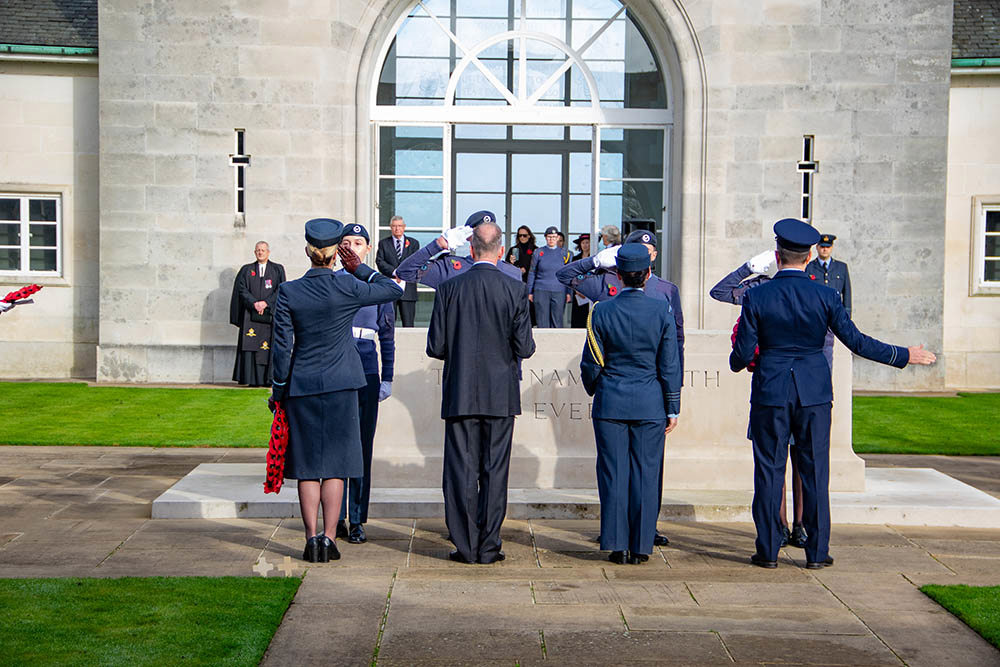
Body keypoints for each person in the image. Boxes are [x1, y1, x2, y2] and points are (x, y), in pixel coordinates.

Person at [731, 218, 936, 570]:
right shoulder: (825, 294)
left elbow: (743, 352)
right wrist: (904, 354)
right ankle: (815, 551)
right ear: (809, 256)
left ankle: (767, 550)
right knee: (814, 471)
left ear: (778, 256)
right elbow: (856, 342)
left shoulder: (757, 295)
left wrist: (741, 360)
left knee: (769, 471)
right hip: (813, 392)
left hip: (772, 390)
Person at [270, 219, 403, 563]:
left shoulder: (289, 291)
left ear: (308, 251)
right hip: (344, 383)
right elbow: (393, 290)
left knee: (308, 466)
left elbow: (282, 348)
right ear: (336, 256)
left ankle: (311, 538)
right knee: (335, 466)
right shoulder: (348, 287)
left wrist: (279, 391)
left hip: (303, 384)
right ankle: (330, 538)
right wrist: (359, 269)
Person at [557, 229, 682, 546]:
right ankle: (641, 545)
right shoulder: (660, 311)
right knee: (646, 473)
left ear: (621, 275)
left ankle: (614, 542)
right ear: (645, 273)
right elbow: (670, 363)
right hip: (651, 401)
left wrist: (598, 387)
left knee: (613, 473)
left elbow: (591, 361)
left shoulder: (602, 310)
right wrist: (672, 404)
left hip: (611, 400)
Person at [426, 219, 536, 564]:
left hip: (460, 391)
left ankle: (465, 544)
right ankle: (488, 545)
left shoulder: (449, 288)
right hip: (500, 393)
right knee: (494, 471)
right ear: (501, 251)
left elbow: (436, 346)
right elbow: (525, 347)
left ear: (471, 250)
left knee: (461, 470)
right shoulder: (514, 288)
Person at [710, 250, 807, 549]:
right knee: (776, 461)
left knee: (798, 461)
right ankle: (779, 523)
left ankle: (800, 524)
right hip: (778, 381)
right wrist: (746, 269)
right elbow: (720, 291)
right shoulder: (755, 289)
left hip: (793, 382)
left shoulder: (799, 286)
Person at [332, 224, 396, 546]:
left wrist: (387, 377)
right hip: (337, 371)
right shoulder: (331, 281)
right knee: (336, 448)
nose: (352, 247)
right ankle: (335, 516)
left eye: (358, 242)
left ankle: (356, 518)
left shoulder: (376, 285)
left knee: (361, 448)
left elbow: (386, 335)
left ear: (368, 249)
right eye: (346, 243)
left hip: (367, 369)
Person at [395, 212, 522, 289]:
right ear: (468, 237)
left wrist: (438, 245)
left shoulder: (513, 272)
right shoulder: (449, 268)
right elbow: (404, 272)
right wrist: (439, 244)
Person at [230, 241, 286, 386]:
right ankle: (251, 380)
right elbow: (242, 289)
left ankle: (268, 379)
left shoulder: (277, 269)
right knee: (250, 345)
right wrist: (254, 303)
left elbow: (281, 289)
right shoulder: (247, 270)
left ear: (268, 252)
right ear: (255, 252)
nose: (260, 252)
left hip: (269, 315)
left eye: (263, 250)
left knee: (267, 347)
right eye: (258, 250)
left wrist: (265, 303)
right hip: (250, 315)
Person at [806, 234, 852, 367]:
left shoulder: (841, 268)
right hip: (814, 318)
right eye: (822, 247)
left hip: (833, 317)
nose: (825, 250)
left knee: (828, 354)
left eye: (828, 247)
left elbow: (847, 293)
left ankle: (826, 384)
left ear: (832, 248)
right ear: (817, 247)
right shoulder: (810, 268)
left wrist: (846, 319)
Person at [375, 215, 420, 327]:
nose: (397, 228)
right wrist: (395, 272)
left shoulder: (413, 243)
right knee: (388, 324)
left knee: (409, 324)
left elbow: (416, 262)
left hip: (408, 290)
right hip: (390, 288)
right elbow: (380, 262)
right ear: (391, 227)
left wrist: (403, 273)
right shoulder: (384, 243)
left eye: (399, 226)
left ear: (404, 227)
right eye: (394, 226)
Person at [527, 226, 571, 328]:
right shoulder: (538, 252)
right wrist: (529, 291)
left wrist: (569, 293)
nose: (551, 239)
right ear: (546, 238)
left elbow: (568, 275)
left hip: (559, 290)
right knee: (542, 322)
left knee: (557, 322)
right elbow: (532, 272)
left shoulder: (566, 254)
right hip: (541, 289)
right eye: (549, 237)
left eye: (554, 237)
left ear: (558, 238)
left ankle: (557, 344)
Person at [569, 234, 591, 328]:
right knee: (578, 318)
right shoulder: (575, 259)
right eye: (583, 243)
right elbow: (571, 275)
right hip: (578, 293)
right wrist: (577, 290)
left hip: (591, 292)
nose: (585, 245)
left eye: (587, 242)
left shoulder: (594, 258)